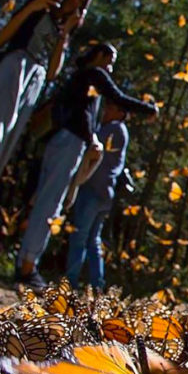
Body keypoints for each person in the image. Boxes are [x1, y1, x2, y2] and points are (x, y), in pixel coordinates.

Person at [15, 43, 157, 288]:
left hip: (60, 141)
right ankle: (28, 267)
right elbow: (117, 97)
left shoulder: (78, 80)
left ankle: (26, 262)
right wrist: (148, 109)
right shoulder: (93, 74)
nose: (110, 68)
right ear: (100, 56)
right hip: (70, 142)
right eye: (110, 60)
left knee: (46, 200)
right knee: (51, 204)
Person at [0, 0, 92, 213]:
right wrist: (34, 6)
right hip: (16, 66)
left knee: (3, 151)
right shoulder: (39, 9)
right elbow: (1, 39)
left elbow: (51, 74)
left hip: (35, 81)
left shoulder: (62, 34)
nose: (76, 0)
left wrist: (65, 34)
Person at [64, 98, 155, 290]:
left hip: (94, 189)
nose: (105, 110)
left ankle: (70, 283)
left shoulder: (112, 128)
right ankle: (97, 285)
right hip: (106, 193)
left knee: (80, 236)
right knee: (92, 240)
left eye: (111, 107)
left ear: (121, 113)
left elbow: (90, 145)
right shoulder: (120, 130)